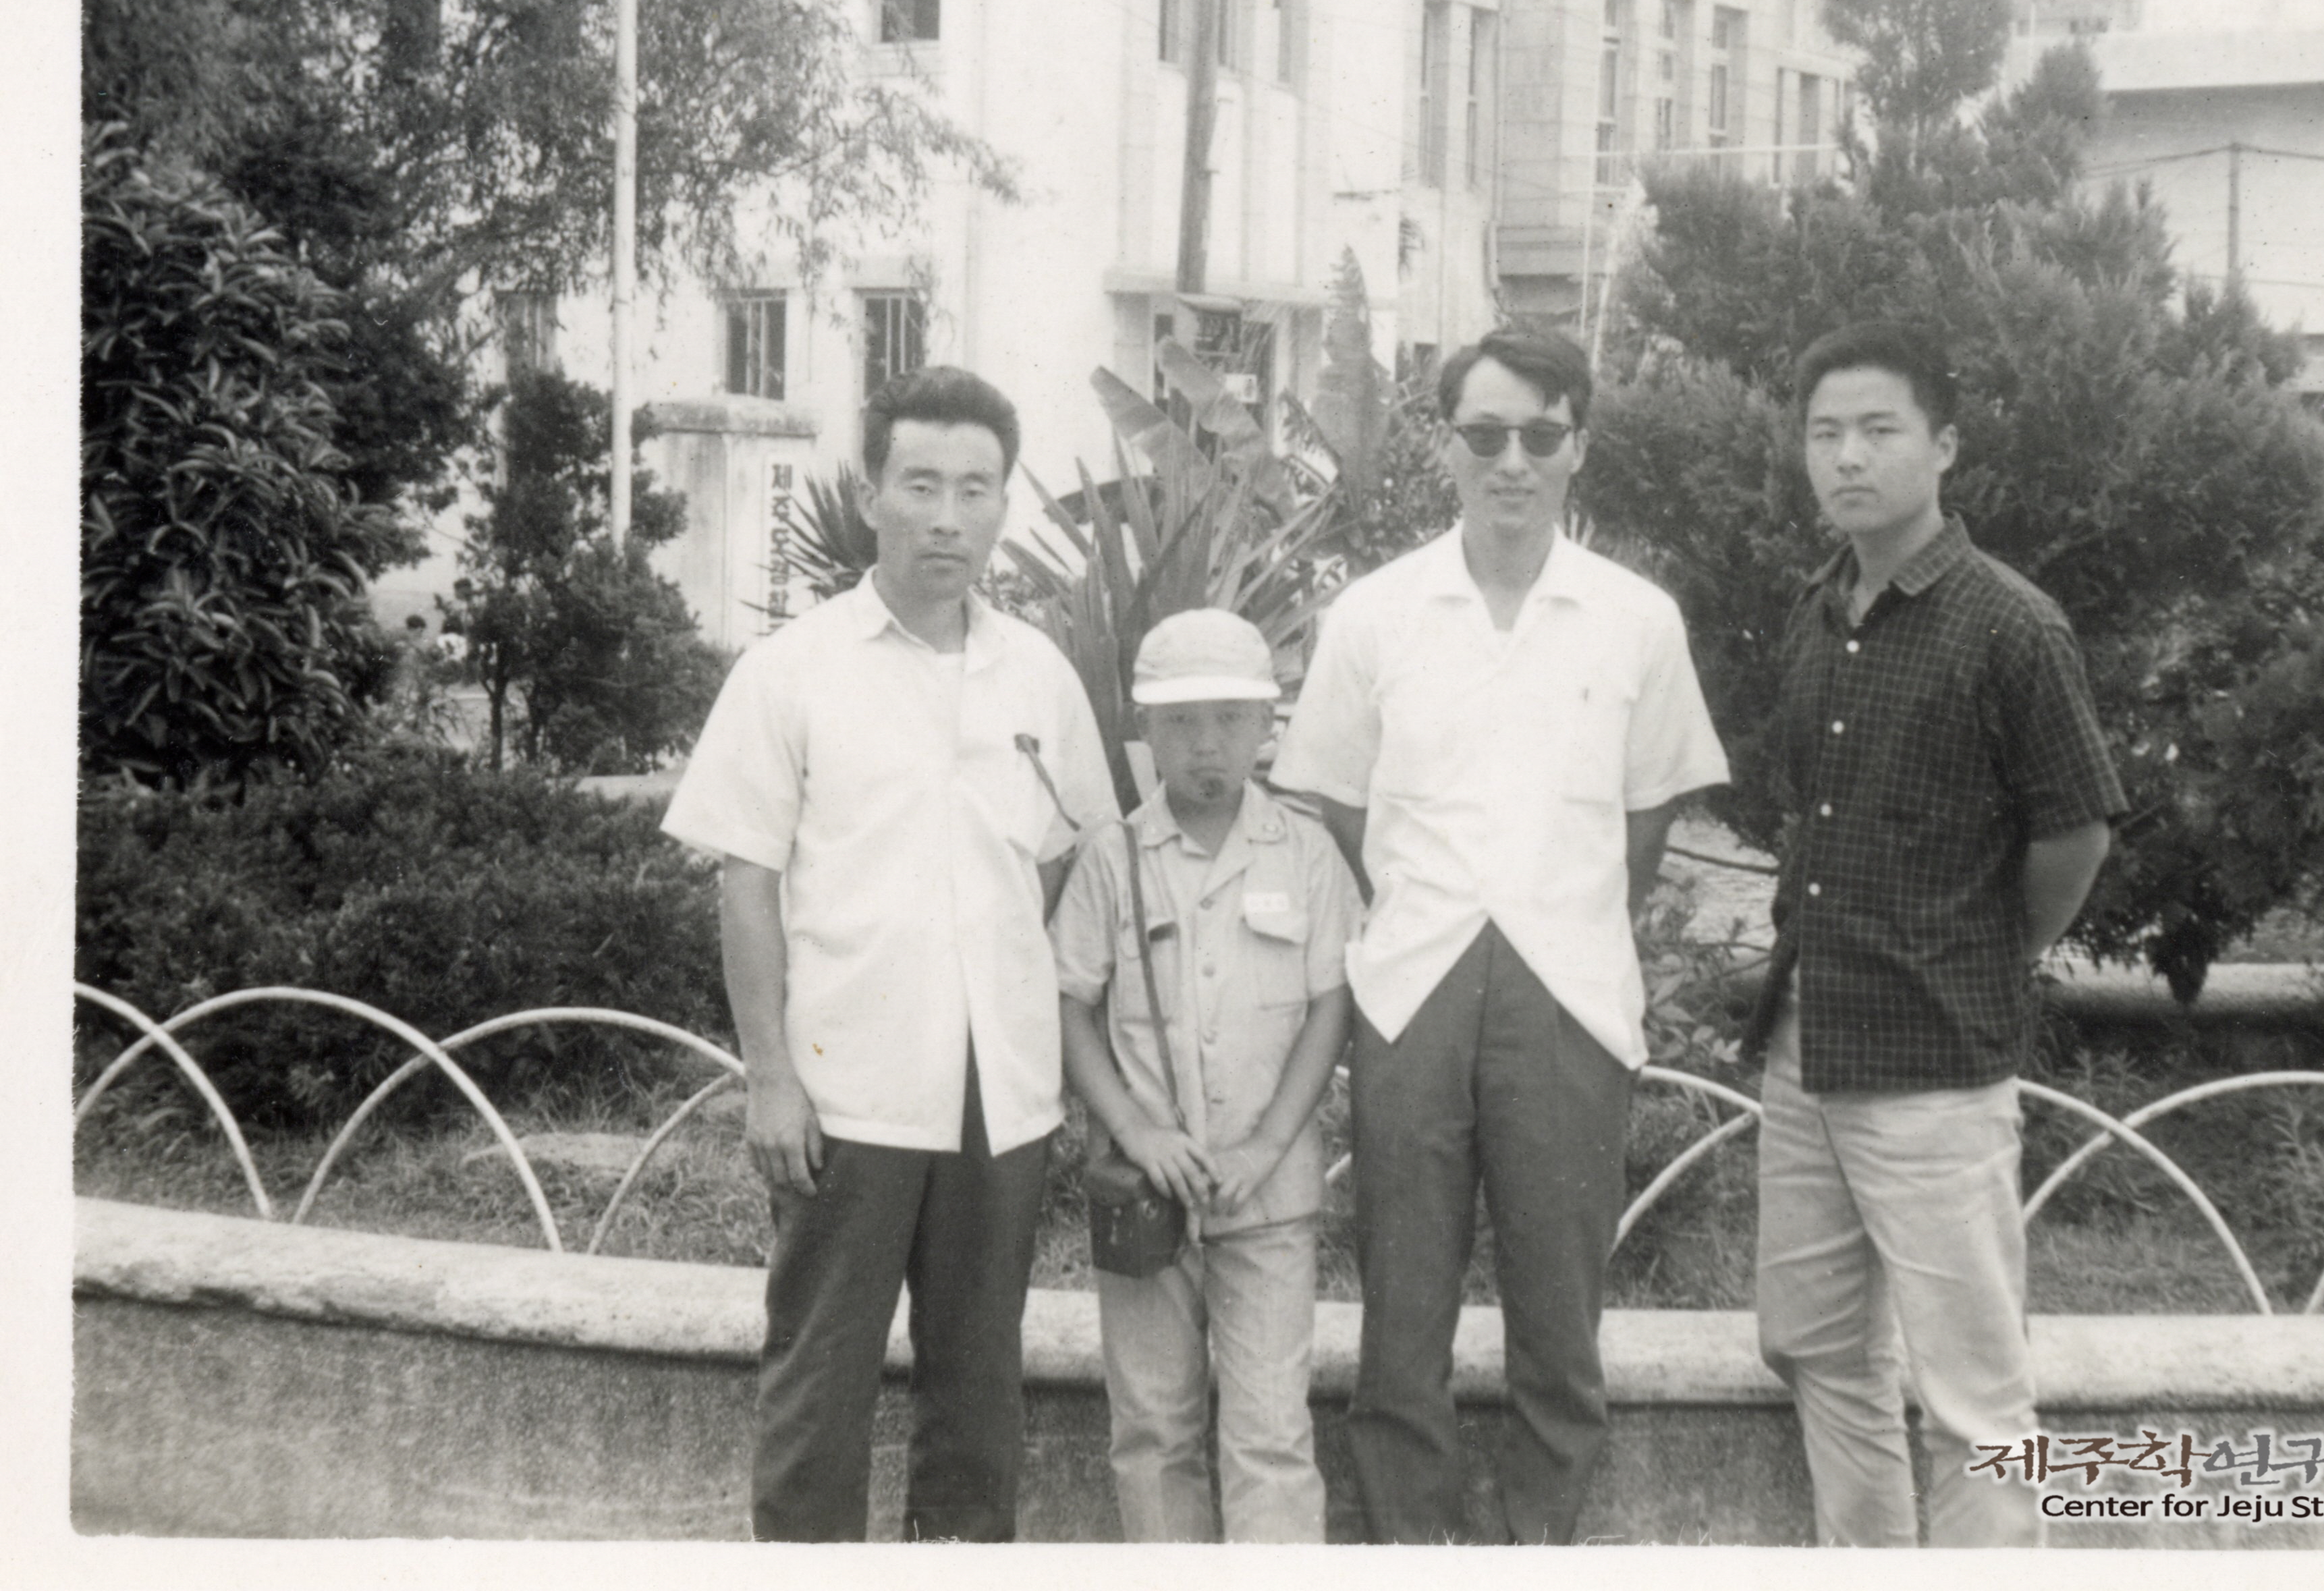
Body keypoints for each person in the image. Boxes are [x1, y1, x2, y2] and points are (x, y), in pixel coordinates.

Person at [1271, 326, 1727, 1544]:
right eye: (1484, 435)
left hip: (1567, 990)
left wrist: (1556, 913)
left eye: (1539, 435)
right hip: (1413, 985)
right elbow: (1337, 800)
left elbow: (1648, 813)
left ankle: (1538, 1547)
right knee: (1401, 1316)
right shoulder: (1375, 614)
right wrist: (1429, 904)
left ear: (1579, 446)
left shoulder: (1636, 620)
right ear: (1447, 446)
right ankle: (1411, 1546)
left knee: (1560, 1318)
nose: (1510, 461)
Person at [661, 366, 1116, 1542]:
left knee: (979, 1388)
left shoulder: (1040, 676)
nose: (947, 517)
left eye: (975, 488)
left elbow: (1060, 857)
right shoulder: (792, 670)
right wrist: (771, 1075)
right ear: (872, 495)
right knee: (821, 1381)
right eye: (921, 485)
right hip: (846, 1092)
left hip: (999, 1097)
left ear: (1003, 503)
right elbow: (747, 882)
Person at [1746, 321, 2126, 1548]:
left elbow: (2075, 834)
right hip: (1808, 1053)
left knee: (1974, 1394)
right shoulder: (1818, 610)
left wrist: (1981, 953)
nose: (1848, 458)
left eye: (1879, 430)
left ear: (1945, 444)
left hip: (1935, 1071)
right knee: (1817, 1350)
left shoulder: (2012, 626)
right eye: (1825, 434)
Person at [1053, 607, 1360, 1542]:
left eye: (1230, 719)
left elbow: (1331, 1004)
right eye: (1181, 722)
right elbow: (1068, 1004)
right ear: (1146, 730)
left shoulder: (1305, 852)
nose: (1206, 744)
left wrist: (1268, 1145)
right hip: (1148, 1196)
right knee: (1154, 1431)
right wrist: (1136, 1131)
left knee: (1270, 1432)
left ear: (1267, 724)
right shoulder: (1112, 858)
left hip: (1268, 1195)